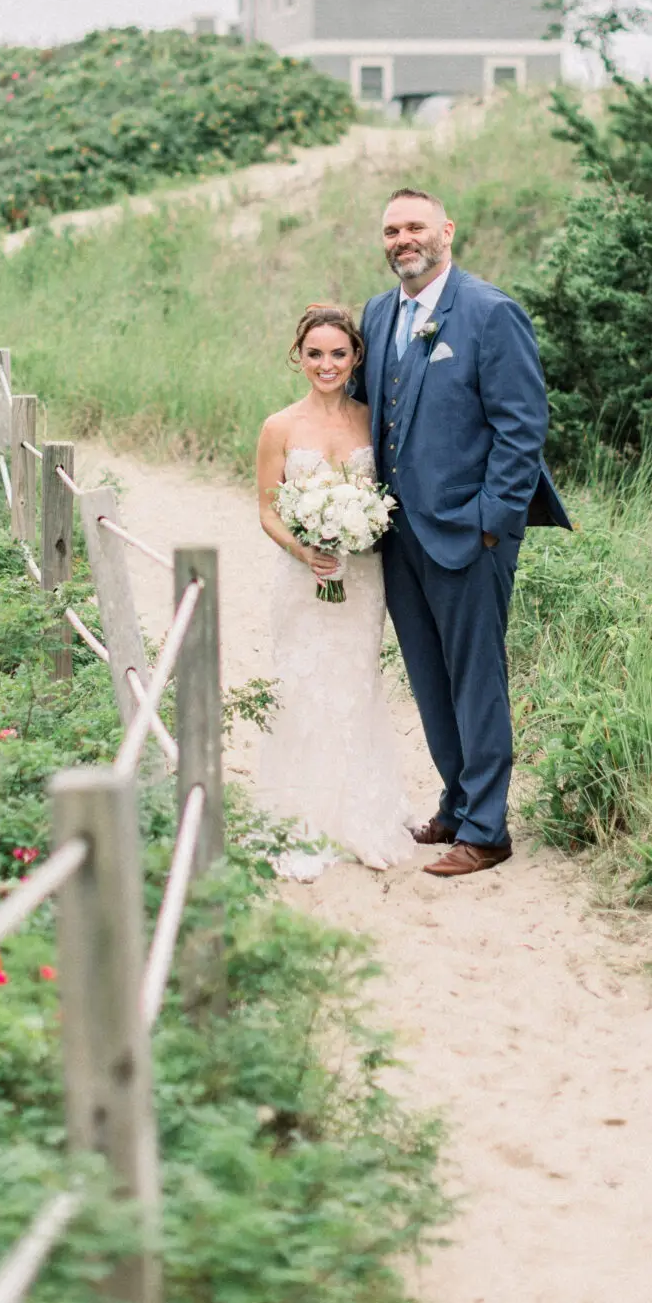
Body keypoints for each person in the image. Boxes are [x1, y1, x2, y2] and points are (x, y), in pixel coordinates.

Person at [354, 187, 571, 879]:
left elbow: (521, 427)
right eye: (390, 229)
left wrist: (491, 525)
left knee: (475, 678)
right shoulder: (378, 311)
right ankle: (454, 803)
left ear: (446, 230)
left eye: (414, 226)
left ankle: (488, 830)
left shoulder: (489, 312)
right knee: (426, 674)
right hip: (397, 534)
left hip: (469, 533)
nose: (401, 239)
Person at [254, 304, 414, 877]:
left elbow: (389, 496)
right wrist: (305, 551)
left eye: (338, 354)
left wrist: (361, 527)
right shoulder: (279, 426)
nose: (327, 364)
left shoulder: (372, 421)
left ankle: (361, 819)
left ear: (356, 358)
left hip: (362, 576)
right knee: (304, 687)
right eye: (315, 354)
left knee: (354, 685)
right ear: (299, 357)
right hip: (303, 580)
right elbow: (268, 511)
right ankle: (304, 820)